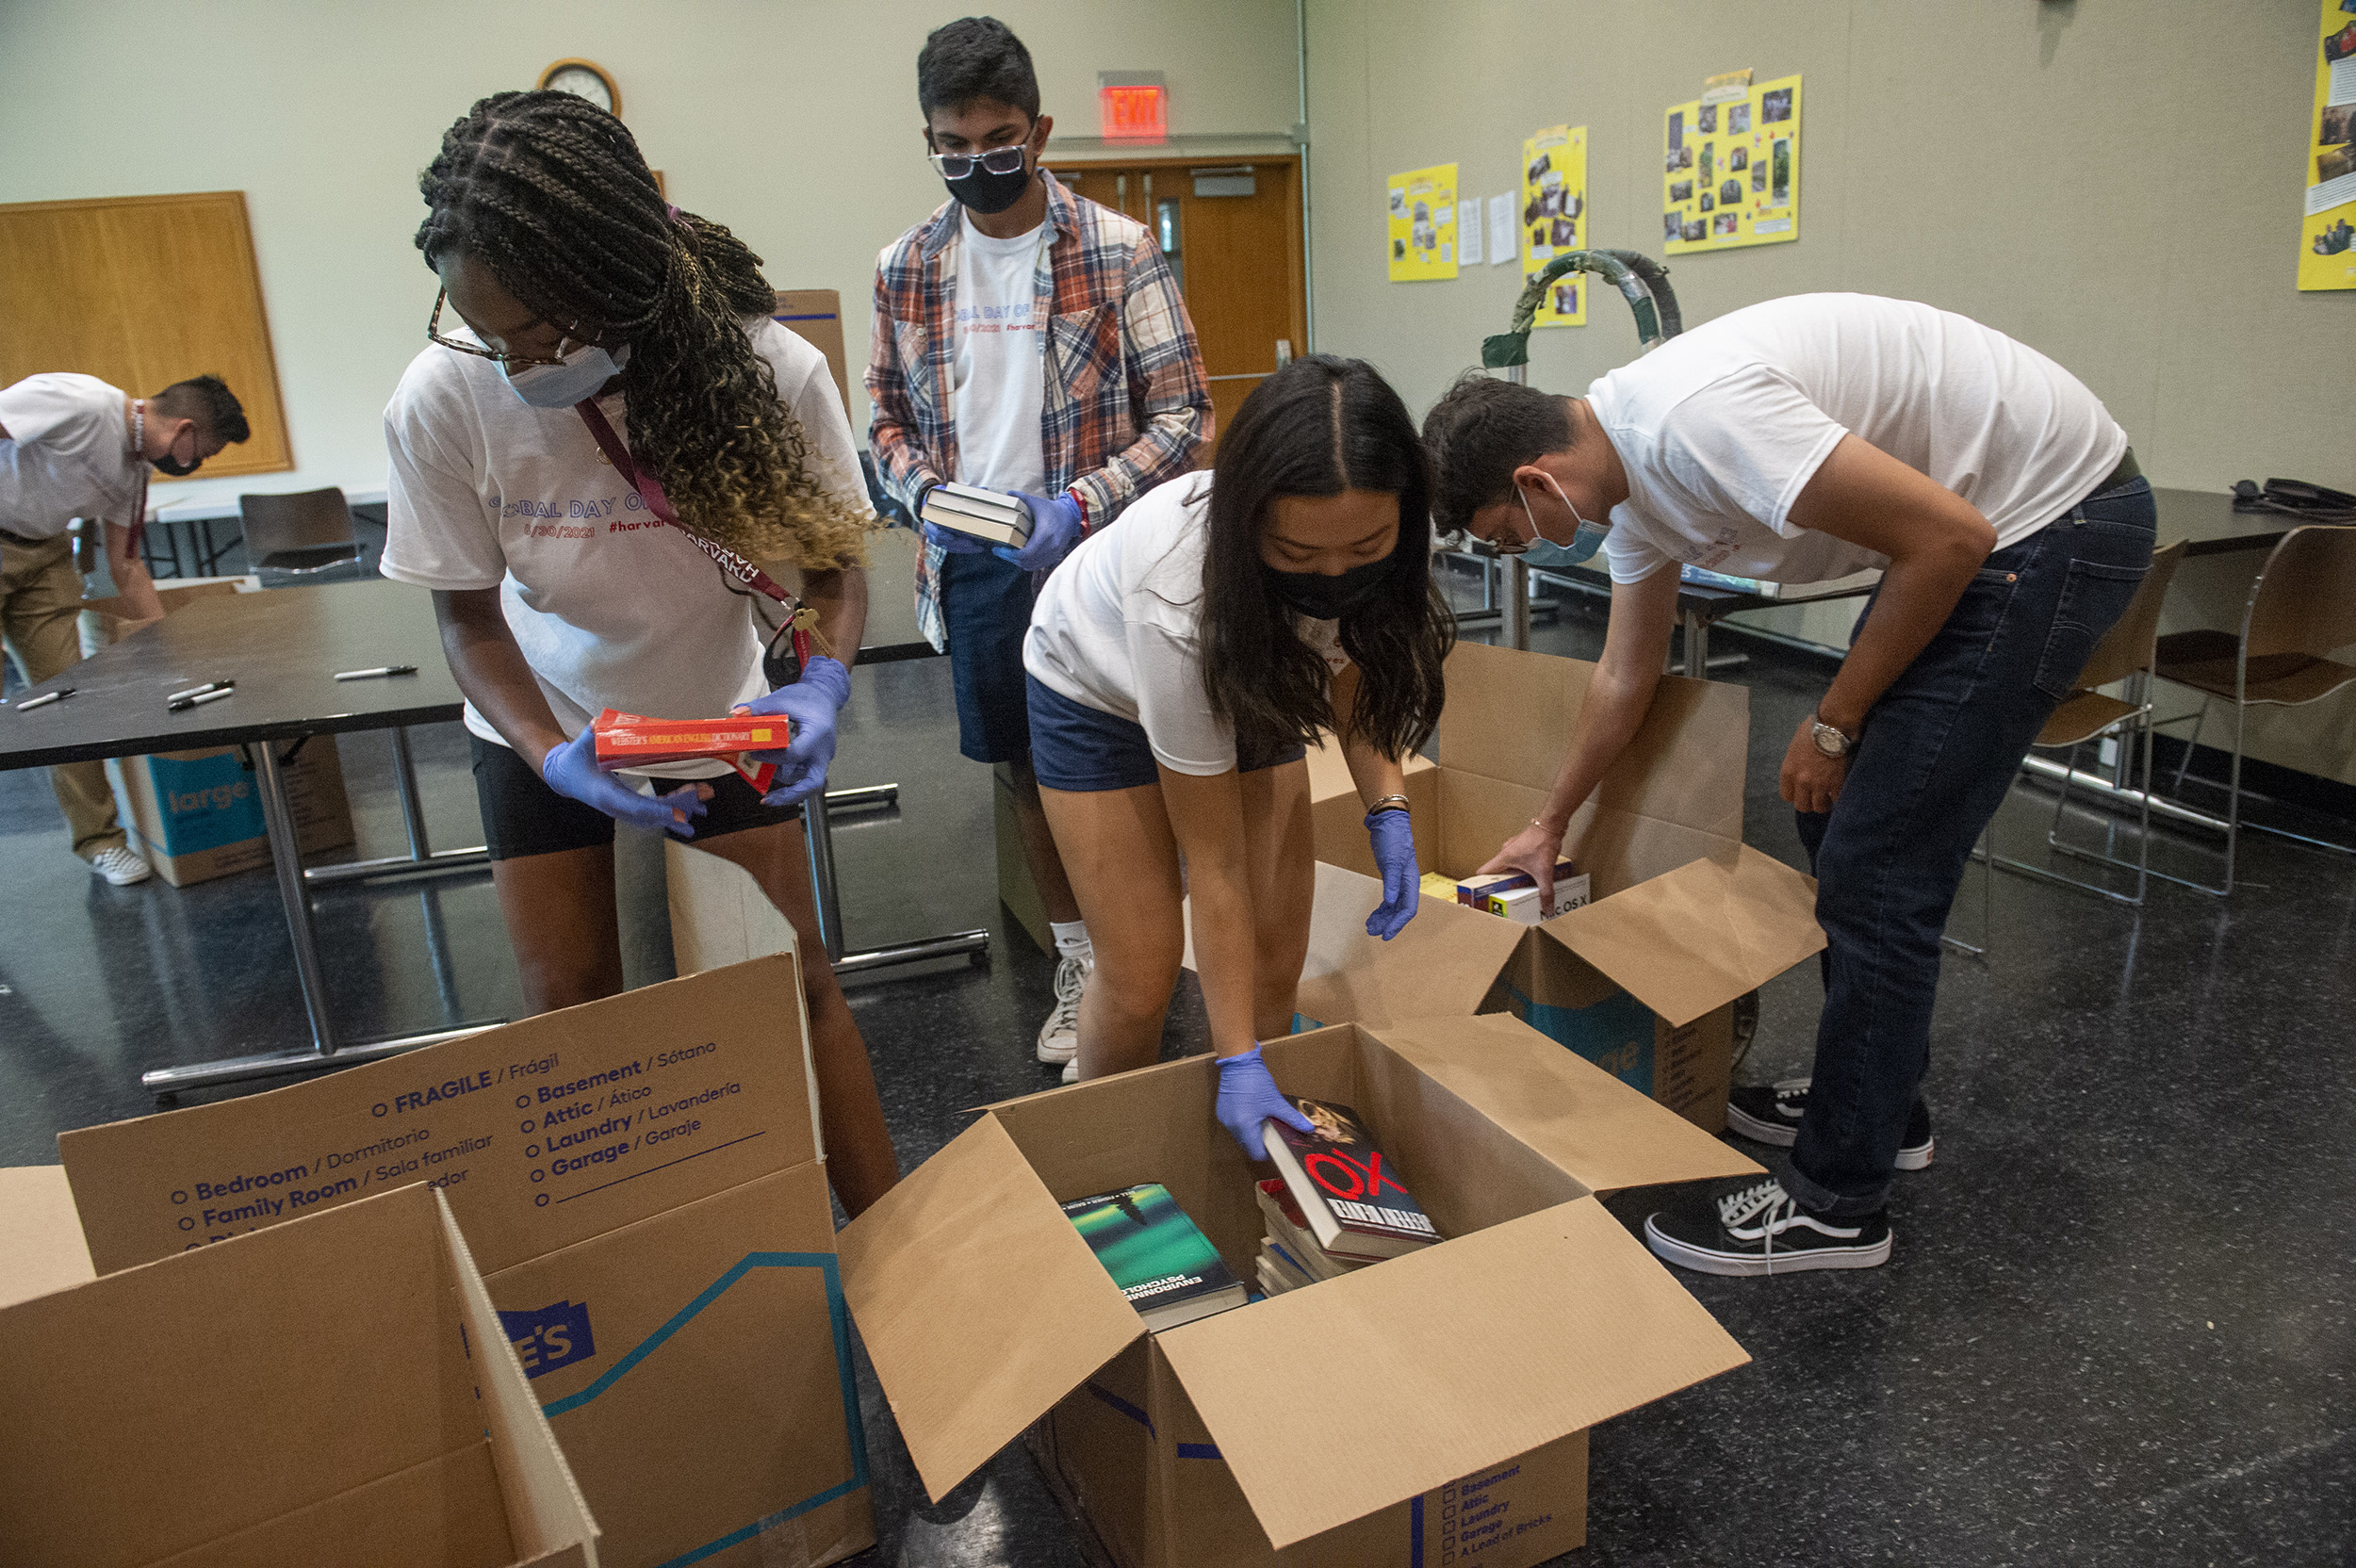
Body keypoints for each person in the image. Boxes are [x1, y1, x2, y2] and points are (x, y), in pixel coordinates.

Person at [1421, 292, 2154, 1275]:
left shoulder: (1694, 419)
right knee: (1841, 822)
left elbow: (1949, 541)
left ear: (1533, 477)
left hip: (2046, 528)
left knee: (1878, 866)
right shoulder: (1629, 485)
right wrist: (1549, 820)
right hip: (1991, 537)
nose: (1524, 552)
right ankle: (1878, 1104)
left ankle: (1836, 1203)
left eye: (1509, 533)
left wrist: (1831, 722)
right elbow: (1622, 673)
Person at [380, 90, 900, 1217]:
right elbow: (467, 619)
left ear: (616, 278)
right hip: (542, 716)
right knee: (573, 1011)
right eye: (488, 334)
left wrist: (821, 687)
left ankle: (901, 1252)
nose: (515, 362)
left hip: (718, 711)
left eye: (542, 333)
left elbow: (833, 571)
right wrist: (552, 753)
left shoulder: (767, 369)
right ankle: (627, 1267)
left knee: (795, 985)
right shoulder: (444, 397)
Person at [867, 15, 1212, 1075]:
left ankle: (1156, 947)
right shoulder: (908, 265)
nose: (979, 165)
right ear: (929, 139)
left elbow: (1189, 418)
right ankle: (1081, 961)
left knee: (1141, 756)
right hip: (978, 562)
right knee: (1026, 767)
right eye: (954, 147)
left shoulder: (1117, 251)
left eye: (1001, 143)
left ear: (1042, 130)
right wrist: (922, 493)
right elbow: (880, 419)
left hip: (1101, 549)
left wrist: (1083, 500)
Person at [1024, 355, 1451, 1149]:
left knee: (1277, 951)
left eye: (1363, 550)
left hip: (1255, 660)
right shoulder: (1176, 593)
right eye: (1297, 556)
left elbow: (1351, 664)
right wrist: (1236, 1059)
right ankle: (1114, 1161)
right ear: (1250, 519)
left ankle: (1266, 1153)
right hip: (1098, 683)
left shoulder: (1389, 522)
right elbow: (1211, 864)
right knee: (1142, 971)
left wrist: (1387, 806)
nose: (1333, 574)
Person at [0, 372, 249, 884]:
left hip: (43, 557)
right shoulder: (82, 402)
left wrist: (171, 657)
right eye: (201, 450)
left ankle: (100, 842)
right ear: (183, 430)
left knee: (69, 701)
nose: (193, 464)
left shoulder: (132, 476)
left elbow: (128, 567)